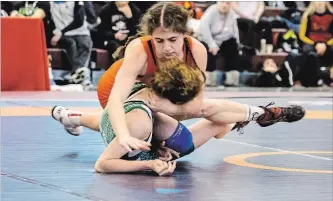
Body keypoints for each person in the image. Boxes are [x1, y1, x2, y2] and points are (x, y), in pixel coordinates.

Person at [52, 2, 305, 176]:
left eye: (173, 39)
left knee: (185, 109)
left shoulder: (197, 51)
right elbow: (117, 99)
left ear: (186, 34)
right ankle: (259, 114)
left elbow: (195, 104)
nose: (166, 48)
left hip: (154, 92)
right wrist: (125, 136)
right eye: (159, 40)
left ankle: (72, 117)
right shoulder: (139, 49)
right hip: (117, 89)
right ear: (150, 37)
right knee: (136, 122)